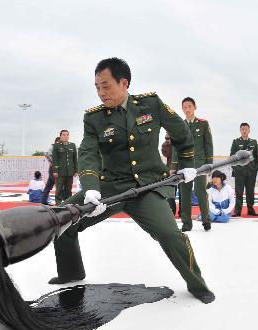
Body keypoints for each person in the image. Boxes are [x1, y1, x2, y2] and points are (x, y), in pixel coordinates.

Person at [50, 57, 215, 304]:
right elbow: (87, 153)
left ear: (123, 82)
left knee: (171, 235)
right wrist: (91, 189)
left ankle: (197, 285)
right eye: (97, 87)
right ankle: (71, 271)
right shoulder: (94, 118)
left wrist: (188, 166)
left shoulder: (151, 104)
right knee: (62, 219)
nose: (100, 92)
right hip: (110, 186)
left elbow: (182, 133)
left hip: (148, 186)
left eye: (106, 86)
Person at [176, 97, 213, 231]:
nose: (187, 109)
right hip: (184, 165)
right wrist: (174, 167)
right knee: (184, 194)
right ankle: (186, 223)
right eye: (184, 107)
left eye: (189, 106)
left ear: (194, 107)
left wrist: (209, 165)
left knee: (200, 192)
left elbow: (208, 145)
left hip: (199, 165)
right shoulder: (179, 125)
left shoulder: (203, 124)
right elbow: (176, 147)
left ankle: (206, 221)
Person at [230, 123, 258, 217]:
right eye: (242, 129)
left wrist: (255, 169)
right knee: (239, 192)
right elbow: (232, 158)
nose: (244, 131)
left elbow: (256, 157)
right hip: (239, 172)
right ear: (240, 130)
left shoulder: (253, 142)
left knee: (250, 192)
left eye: (246, 129)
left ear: (249, 130)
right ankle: (237, 210)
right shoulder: (236, 142)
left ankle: (250, 209)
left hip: (251, 172)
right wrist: (236, 169)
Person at [52, 130, 78, 205]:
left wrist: (76, 170)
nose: (66, 136)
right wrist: (55, 170)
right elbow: (55, 159)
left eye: (67, 135)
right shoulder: (56, 145)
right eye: (63, 135)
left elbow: (75, 159)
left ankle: (68, 203)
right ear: (60, 136)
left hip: (70, 171)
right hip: (60, 172)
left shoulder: (72, 145)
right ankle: (58, 204)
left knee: (68, 190)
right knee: (59, 189)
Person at [41, 137, 60, 205]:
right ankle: (58, 202)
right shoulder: (54, 146)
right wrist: (51, 162)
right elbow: (47, 154)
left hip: (54, 168)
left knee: (48, 186)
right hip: (54, 169)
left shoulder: (57, 147)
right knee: (58, 185)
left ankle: (43, 200)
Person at [161, 133, 177, 215]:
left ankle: (183, 212)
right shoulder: (165, 144)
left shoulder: (180, 140)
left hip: (181, 168)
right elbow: (165, 154)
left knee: (183, 191)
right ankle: (172, 211)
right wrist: (168, 143)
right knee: (170, 191)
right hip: (171, 170)